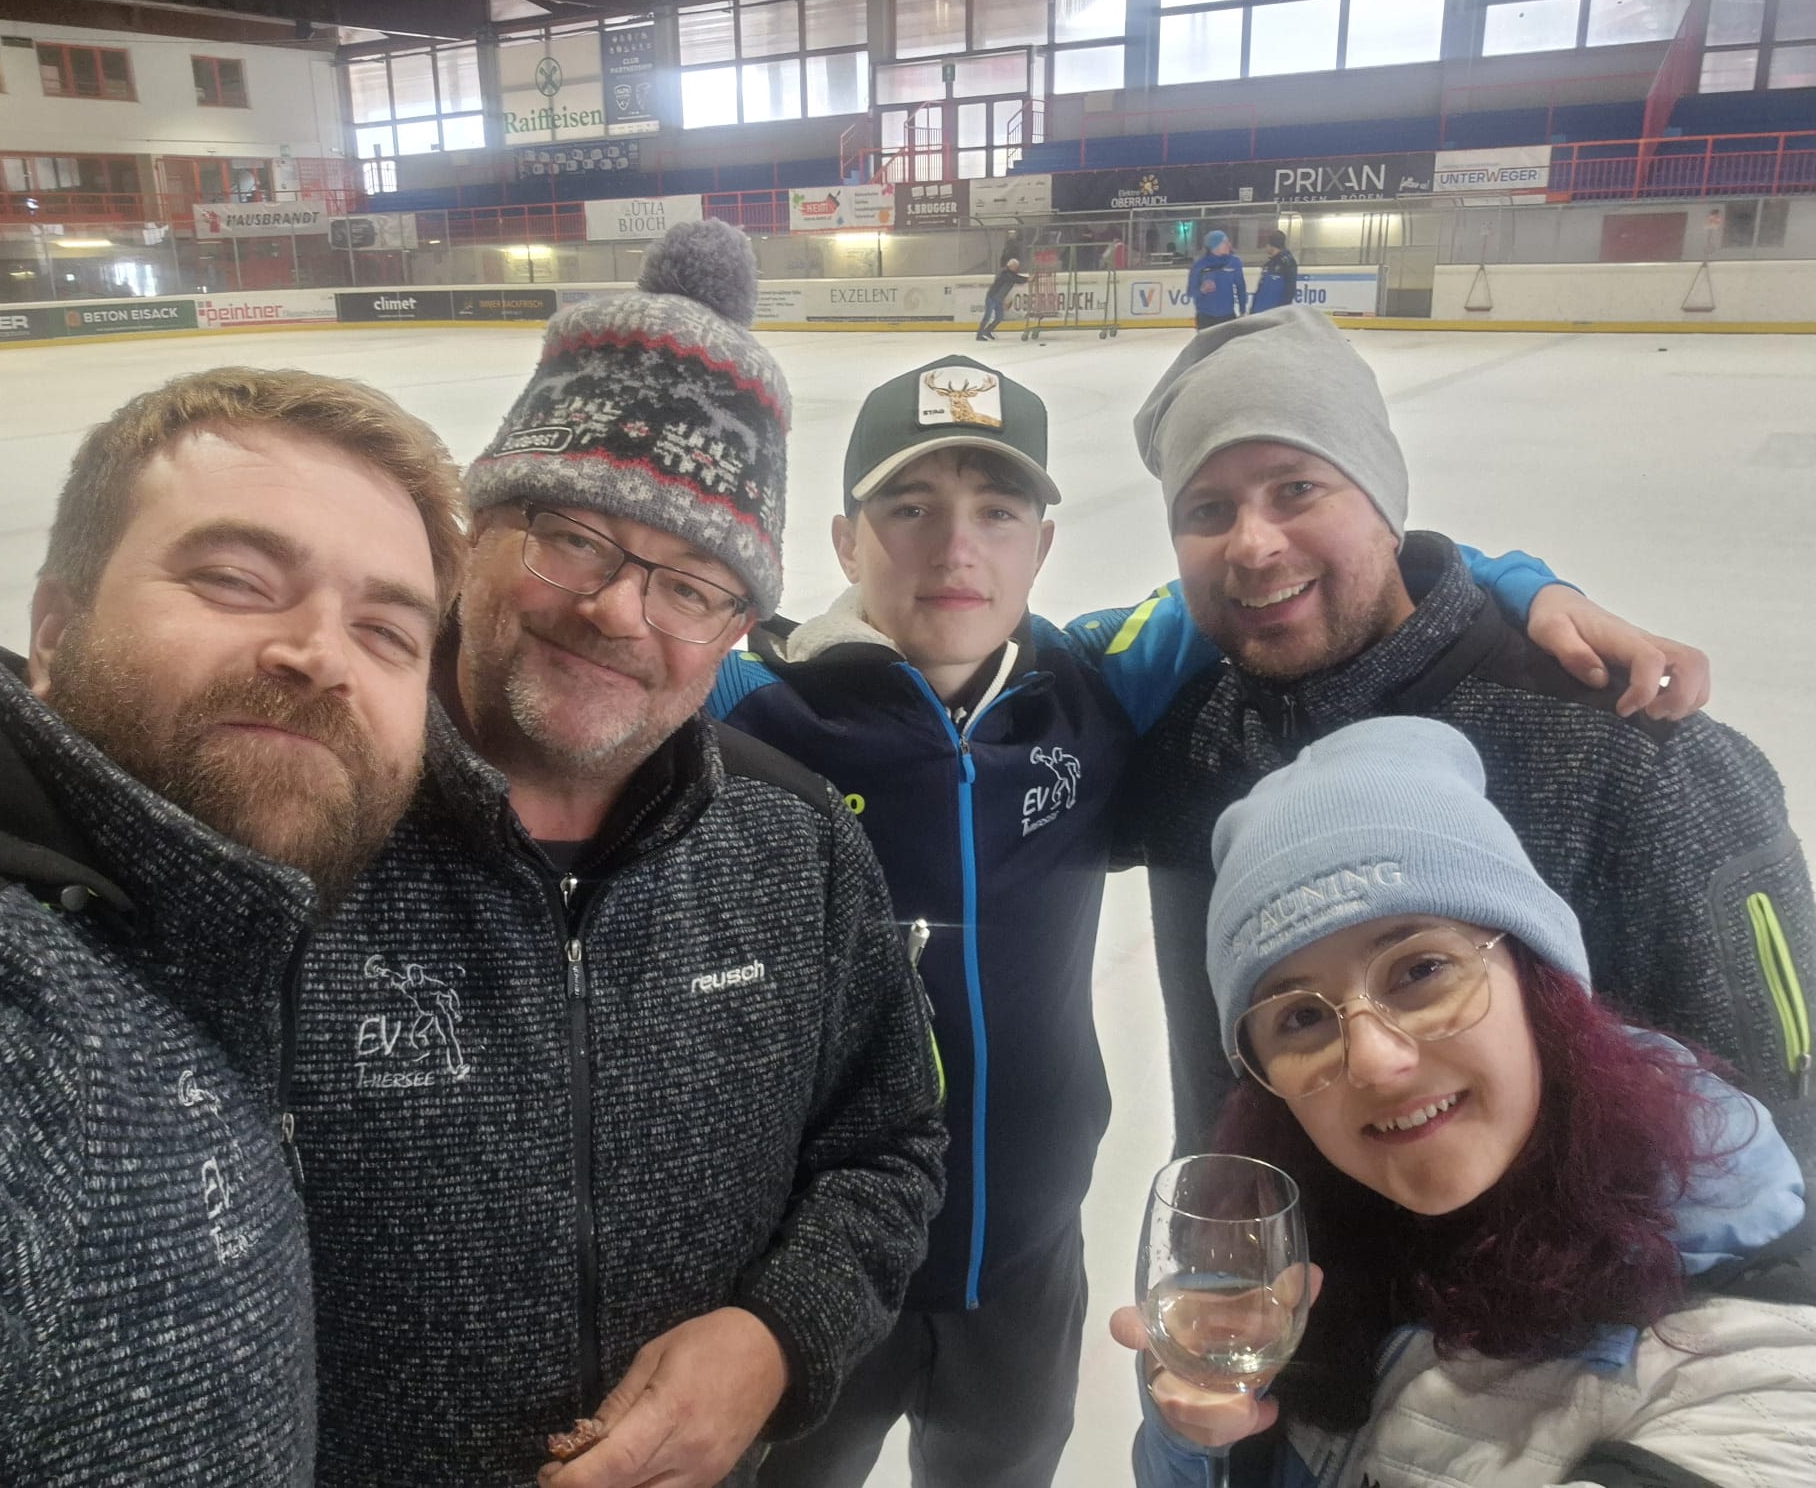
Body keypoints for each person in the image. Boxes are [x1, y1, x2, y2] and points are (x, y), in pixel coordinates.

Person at [709, 353, 1706, 1488]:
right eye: (908, 507)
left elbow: (1356, 557)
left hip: (1028, 1258)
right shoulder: (746, 706)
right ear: (845, 542)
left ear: (1043, 543)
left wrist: (1526, 584)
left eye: (997, 510)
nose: (954, 549)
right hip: (816, 1260)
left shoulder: (1089, 679)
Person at [290, 220, 947, 1488]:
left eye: (691, 584)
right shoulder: (301, 820)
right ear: (474, 534)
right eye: (574, 536)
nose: (615, 611)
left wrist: (777, 1335)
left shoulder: (796, 843)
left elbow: (889, 1145)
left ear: (737, 627)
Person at [0, 367, 467, 1484]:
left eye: (386, 632)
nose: (320, 655)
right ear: (54, 630)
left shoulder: (212, 927)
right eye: (234, 580)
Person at [1096, 305, 1812, 1174]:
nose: (1252, 544)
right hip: (1262, 1252)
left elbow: (1779, 1126)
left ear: (1383, 499)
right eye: (1208, 509)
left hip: (1575, 1262)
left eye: (1297, 488)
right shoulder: (1185, 736)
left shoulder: (1627, 747)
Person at [1113, 717, 1815, 1487]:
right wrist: (1198, 1441)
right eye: (1301, 1017)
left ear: (1537, 977)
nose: (1374, 1061)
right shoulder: (1314, 1241)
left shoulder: (1750, 1347)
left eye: (1421, 971)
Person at [1186, 231, 1245, 330]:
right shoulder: (1200, 265)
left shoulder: (1234, 262)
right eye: (1224, 242)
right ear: (1215, 245)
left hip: (1227, 316)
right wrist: (1202, 290)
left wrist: (1242, 309)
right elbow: (1190, 292)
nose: (1229, 245)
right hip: (1205, 317)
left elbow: (1241, 287)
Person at [977, 256, 1027, 341]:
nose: (1017, 268)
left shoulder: (1010, 273)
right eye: (1016, 267)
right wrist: (1027, 279)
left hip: (999, 299)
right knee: (987, 316)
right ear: (1011, 266)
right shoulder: (1004, 273)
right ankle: (979, 335)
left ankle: (987, 331)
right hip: (992, 297)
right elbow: (1015, 278)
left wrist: (1026, 279)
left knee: (999, 318)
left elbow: (1016, 278)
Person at [1249, 228, 1299, 314]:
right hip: (1260, 313)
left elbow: (1290, 291)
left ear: (1271, 245)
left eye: (1267, 244)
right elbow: (1260, 290)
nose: (1265, 247)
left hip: (1274, 314)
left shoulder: (1287, 263)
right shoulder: (1269, 264)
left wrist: (1281, 313)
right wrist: (1253, 310)